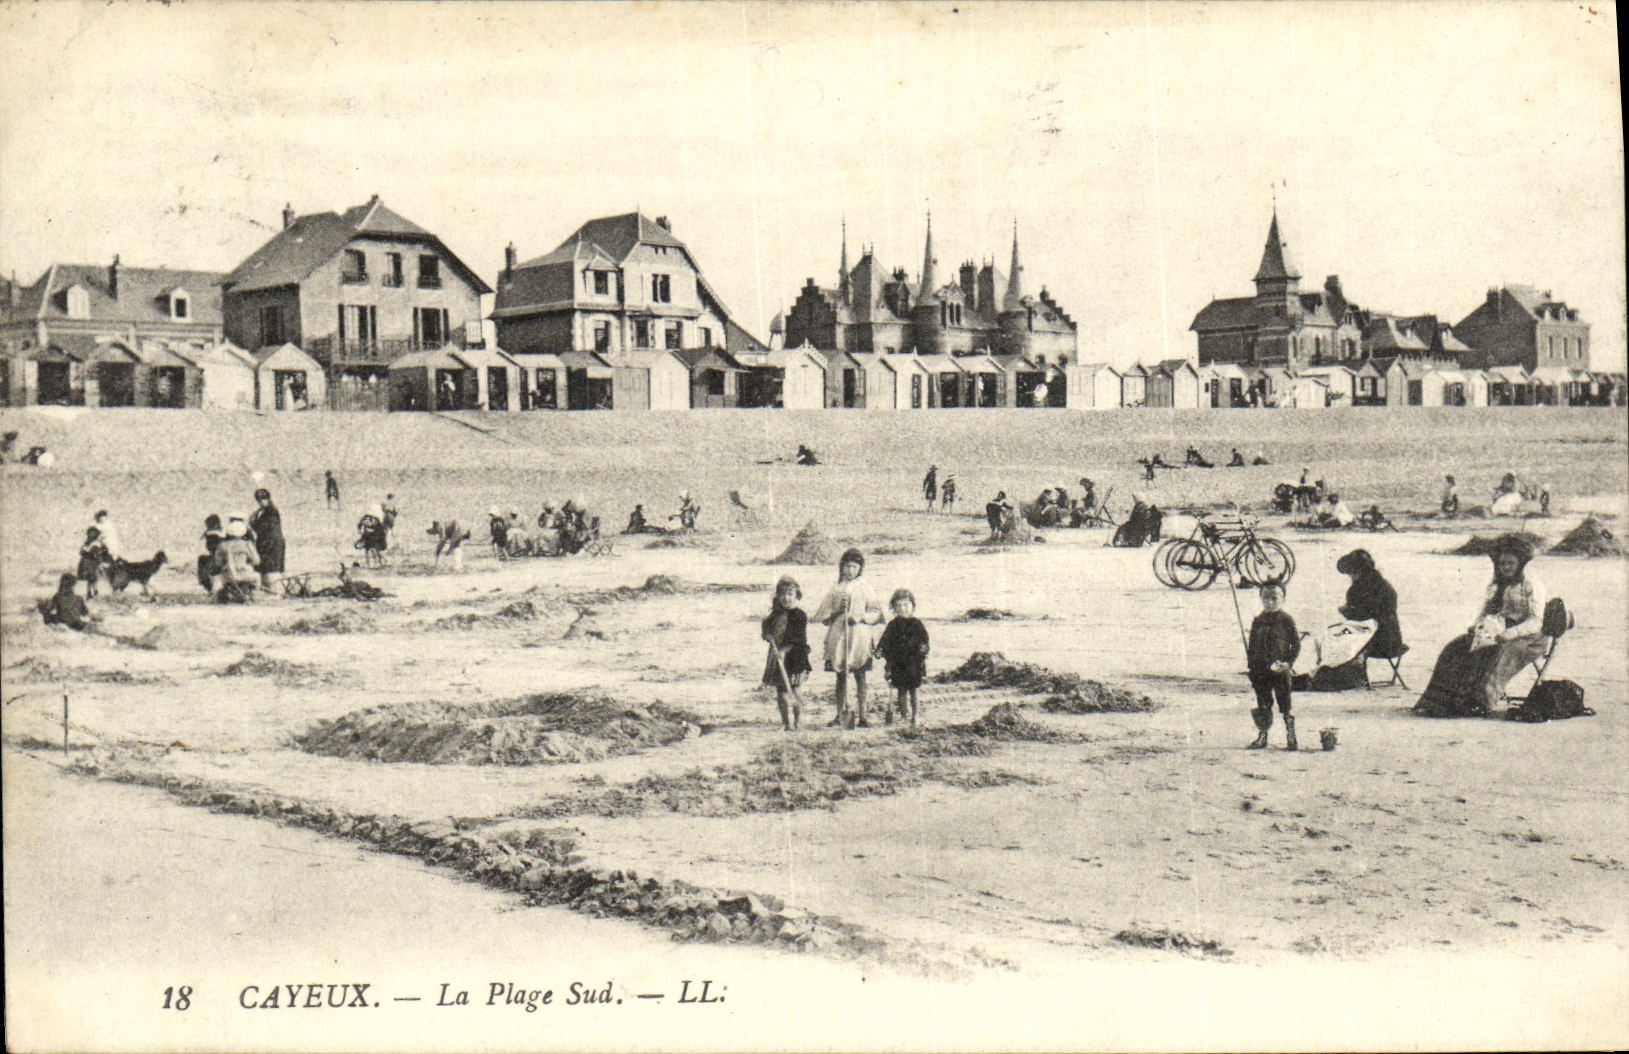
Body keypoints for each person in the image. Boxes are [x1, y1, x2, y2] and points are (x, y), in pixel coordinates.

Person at [1415, 534, 1549, 717]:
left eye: (1510, 563)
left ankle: (1479, 702)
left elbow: (1536, 621)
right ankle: (1441, 701)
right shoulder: (1497, 584)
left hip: (1529, 637)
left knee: (1499, 654)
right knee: (1456, 647)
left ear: (1520, 564)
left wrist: (1509, 634)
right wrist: (1476, 626)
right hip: (1496, 629)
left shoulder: (1531, 585)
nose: (1506, 568)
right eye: (1502, 564)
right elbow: (1486, 612)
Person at [812, 548, 884, 729]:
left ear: (860, 568)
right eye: (848, 566)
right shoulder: (836, 588)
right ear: (842, 568)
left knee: (860, 676)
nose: (851, 570)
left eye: (855, 567)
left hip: (859, 637)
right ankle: (840, 713)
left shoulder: (865, 587)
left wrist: (860, 617)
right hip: (840, 636)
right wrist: (837, 611)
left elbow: (877, 613)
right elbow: (822, 616)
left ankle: (863, 715)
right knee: (841, 676)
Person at [1246, 582, 1301, 750]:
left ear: (1283, 599)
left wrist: (1288, 663)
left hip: (1280, 670)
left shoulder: (1286, 620)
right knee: (1263, 703)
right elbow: (1252, 647)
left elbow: (1296, 645)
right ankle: (1263, 735)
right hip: (1261, 670)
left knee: (1285, 702)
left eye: (1274, 598)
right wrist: (1252, 667)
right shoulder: (1258, 621)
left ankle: (1291, 736)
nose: (1270, 602)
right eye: (1265, 598)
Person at [760, 576, 812, 731]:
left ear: (797, 595)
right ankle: (785, 723)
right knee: (782, 692)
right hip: (778, 659)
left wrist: (784, 650)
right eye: (783, 594)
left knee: (795, 690)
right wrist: (767, 635)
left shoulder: (800, 616)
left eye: (790, 594)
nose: (786, 598)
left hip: (795, 659)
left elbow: (798, 638)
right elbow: (766, 627)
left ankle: (798, 722)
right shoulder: (775, 615)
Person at [877, 588, 930, 727]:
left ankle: (915, 715)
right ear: (893, 608)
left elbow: (924, 640)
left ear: (912, 606)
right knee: (901, 690)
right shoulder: (893, 625)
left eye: (906, 605)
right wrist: (880, 650)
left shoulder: (917, 624)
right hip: (897, 662)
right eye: (898, 605)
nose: (902, 608)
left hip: (913, 662)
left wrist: (923, 650)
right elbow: (885, 640)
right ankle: (903, 715)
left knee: (914, 689)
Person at [213, 517, 261, 602]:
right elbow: (256, 561)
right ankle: (253, 594)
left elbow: (218, 563)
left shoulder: (222, 545)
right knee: (257, 576)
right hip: (246, 574)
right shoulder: (247, 544)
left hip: (228, 576)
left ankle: (223, 596)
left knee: (216, 579)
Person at [248, 489, 285, 592]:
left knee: (271, 566)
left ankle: (270, 588)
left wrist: (253, 521)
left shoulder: (271, 512)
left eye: (263, 499)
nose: (261, 502)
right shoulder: (263, 511)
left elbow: (264, 528)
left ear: (268, 499)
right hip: (267, 541)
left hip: (272, 542)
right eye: (259, 500)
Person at [77, 525, 108, 598]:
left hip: (88, 562)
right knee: (93, 578)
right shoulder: (95, 544)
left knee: (91, 578)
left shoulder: (88, 544)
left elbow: (82, 552)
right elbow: (100, 553)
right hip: (92, 563)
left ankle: (90, 592)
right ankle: (93, 592)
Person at [197, 514, 225, 589]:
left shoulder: (212, 536)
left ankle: (204, 583)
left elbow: (208, 548)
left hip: (217, 561)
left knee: (202, 559)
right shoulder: (224, 534)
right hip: (224, 560)